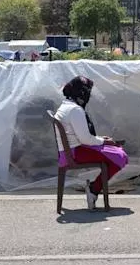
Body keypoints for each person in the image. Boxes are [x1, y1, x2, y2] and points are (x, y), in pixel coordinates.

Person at [54, 76, 129, 210]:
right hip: (75, 153)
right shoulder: (75, 110)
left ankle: (94, 188)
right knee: (120, 156)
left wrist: (102, 140)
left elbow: (82, 136)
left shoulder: (66, 105)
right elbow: (85, 139)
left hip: (68, 152)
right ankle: (94, 189)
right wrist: (103, 141)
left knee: (115, 151)